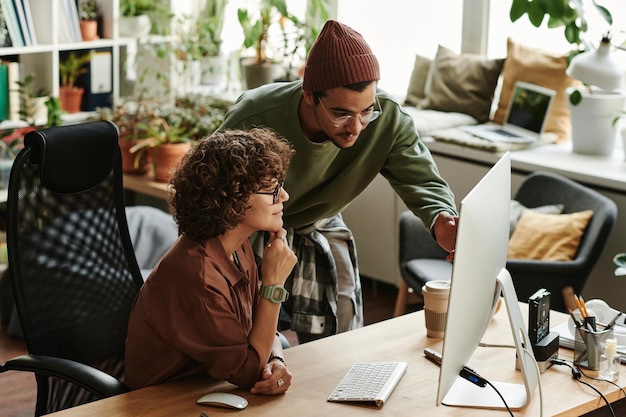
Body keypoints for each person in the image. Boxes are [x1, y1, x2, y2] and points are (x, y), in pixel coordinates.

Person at [218, 20, 458, 344]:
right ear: (308, 95)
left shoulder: (389, 119)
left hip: (320, 221)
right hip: (249, 226)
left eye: (366, 112)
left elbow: (424, 181)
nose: (355, 128)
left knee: (344, 332)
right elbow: (212, 194)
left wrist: (441, 217)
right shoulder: (255, 115)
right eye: (341, 114)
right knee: (243, 336)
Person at [125, 128, 297, 395]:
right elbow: (247, 370)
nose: (283, 197)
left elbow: (257, 329)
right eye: (271, 190)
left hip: (210, 388)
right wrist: (274, 285)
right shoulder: (198, 274)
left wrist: (275, 360)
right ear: (232, 198)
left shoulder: (237, 247)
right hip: (164, 403)